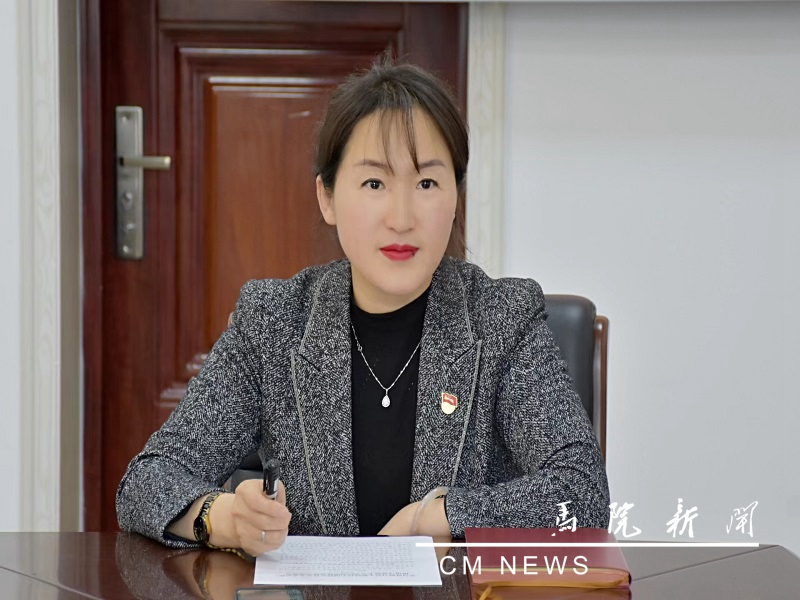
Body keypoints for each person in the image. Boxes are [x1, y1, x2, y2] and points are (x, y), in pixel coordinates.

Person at [116, 56, 610, 558]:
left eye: (426, 184)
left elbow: (583, 493)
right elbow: (147, 481)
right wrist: (223, 519)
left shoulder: (503, 318)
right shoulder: (273, 322)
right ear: (327, 198)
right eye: (375, 184)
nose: (402, 217)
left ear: (455, 198)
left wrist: (435, 516)